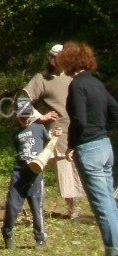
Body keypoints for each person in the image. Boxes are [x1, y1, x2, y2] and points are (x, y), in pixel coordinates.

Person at [59, 41, 118, 256]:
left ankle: (113, 249)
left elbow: (79, 121)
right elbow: (115, 111)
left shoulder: (77, 86)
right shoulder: (97, 84)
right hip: (105, 146)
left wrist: (73, 144)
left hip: (89, 149)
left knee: (101, 205)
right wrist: (102, 131)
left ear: (70, 63)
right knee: (109, 201)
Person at [23, 43, 84, 219]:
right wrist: (40, 117)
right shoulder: (41, 79)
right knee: (65, 168)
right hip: (59, 131)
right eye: (53, 57)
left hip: (82, 129)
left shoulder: (75, 75)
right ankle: (74, 208)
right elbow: (21, 102)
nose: (55, 60)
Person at [1, 100, 48, 250]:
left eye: (28, 116)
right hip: (19, 173)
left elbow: (49, 145)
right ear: (16, 117)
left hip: (35, 175)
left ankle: (40, 238)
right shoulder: (16, 134)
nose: (25, 120)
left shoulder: (40, 128)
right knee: (12, 206)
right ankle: (7, 234)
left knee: (37, 207)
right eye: (22, 117)